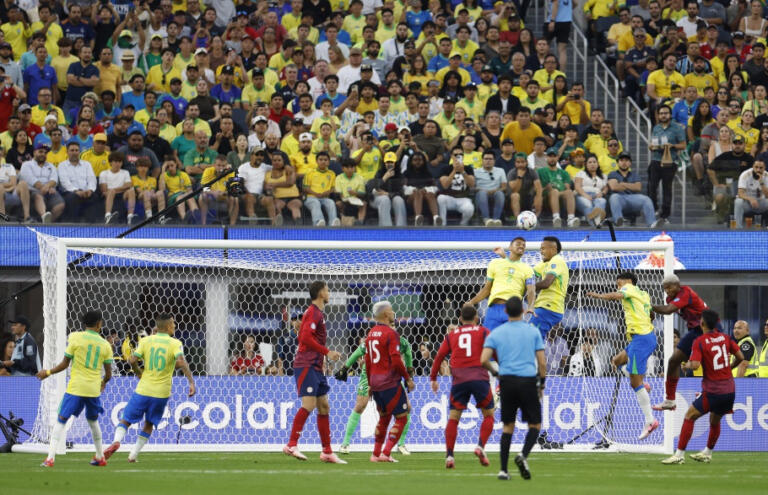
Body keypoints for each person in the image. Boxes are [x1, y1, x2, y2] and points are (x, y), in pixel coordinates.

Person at [103, 313, 196, 463]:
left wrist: (139, 373)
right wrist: (191, 382)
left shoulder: (146, 341)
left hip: (143, 389)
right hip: (161, 393)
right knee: (149, 423)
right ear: (166, 326)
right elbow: (180, 361)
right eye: (172, 323)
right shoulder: (175, 343)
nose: (175, 326)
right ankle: (133, 455)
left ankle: (116, 441)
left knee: (126, 419)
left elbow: (132, 360)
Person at [661, 309, 745, 465]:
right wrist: (729, 367)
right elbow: (741, 357)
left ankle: (679, 455)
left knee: (689, 416)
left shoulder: (700, 341)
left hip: (714, 389)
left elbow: (696, 364)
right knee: (715, 420)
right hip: (730, 389)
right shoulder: (726, 338)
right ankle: (708, 452)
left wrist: (686, 366)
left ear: (702, 323)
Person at [587, 271, 659, 440]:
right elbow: (651, 315)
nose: (617, 284)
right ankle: (642, 383)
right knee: (616, 361)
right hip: (641, 338)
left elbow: (615, 296)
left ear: (626, 280)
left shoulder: (629, 288)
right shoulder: (644, 294)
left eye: (618, 281)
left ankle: (650, 421)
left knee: (635, 384)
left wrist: (598, 295)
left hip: (641, 339)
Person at [481, 296, 546, 481]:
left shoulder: (497, 332)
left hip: (507, 381)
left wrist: (496, 374)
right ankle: (523, 455)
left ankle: (503, 470)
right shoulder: (532, 331)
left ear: (506, 312)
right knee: (535, 424)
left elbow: (483, 359)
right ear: (523, 310)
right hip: (527, 381)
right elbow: (542, 361)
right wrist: (542, 383)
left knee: (508, 427)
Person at [36, 310, 113, 467]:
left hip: (76, 387)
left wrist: (48, 372)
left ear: (84, 324)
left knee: (61, 420)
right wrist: (103, 381)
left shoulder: (74, 337)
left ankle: (50, 458)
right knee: (93, 422)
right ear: (99, 324)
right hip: (93, 389)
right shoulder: (105, 345)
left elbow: (65, 364)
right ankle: (100, 456)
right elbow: (109, 373)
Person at [282, 281, 346, 464]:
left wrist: (323, 358)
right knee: (309, 404)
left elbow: (306, 336)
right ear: (320, 294)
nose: (329, 292)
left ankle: (327, 452)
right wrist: (327, 352)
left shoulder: (317, 314)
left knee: (324, 406)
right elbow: (305, 338)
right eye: (327, 289)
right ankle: (291, 444)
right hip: (306, 365)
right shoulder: (312, 312)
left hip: (316, 366)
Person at [430, 305, 495, 469]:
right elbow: (495, 353)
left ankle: (450, 456)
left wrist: (433, 378)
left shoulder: (452, 335)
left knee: (453, 418)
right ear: (476, 318)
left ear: (459, 319)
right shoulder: (483, 332)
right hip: (479, 378)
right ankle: (480, 446)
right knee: (489, 415)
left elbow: (439, 356)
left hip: (459, 380)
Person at [335, 327, 415, 456]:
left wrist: (409, 376)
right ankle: (345, 444)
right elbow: (357, 353)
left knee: (407, 408)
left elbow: (408, 356)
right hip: (370, 375)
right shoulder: (373, 340)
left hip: (392, 376)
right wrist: (345, 368)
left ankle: (401, 444)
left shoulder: (403, 342)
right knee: (361, 405)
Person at [364, 300, 415, 463]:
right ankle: (386, 453)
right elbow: (396, 360)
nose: (394, 313)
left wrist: (370, 384)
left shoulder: (371, 334)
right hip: (390, 383)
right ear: (386, 314)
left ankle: (376, 454)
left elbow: (368, 360)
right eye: (392, 311)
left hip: (376, 384)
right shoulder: (391, 334)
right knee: (401, 417)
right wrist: (407, 378)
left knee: (384, 418)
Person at [651, 274, 709, 411]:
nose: (667, 291)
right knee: (673, 361)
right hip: (695, 330)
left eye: (669, 288)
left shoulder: (686, 292)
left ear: (677, 285)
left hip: (708, 328)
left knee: (705, 362)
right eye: (665, 288)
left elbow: (668, 310)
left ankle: (708, 392)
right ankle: (670, 400)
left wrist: (649, 306)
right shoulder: (671, 298)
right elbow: (669, 309)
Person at [465, 237, 535, 331]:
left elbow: (531, 290)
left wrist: (530, 306)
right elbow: (487, 289)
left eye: (524, 245)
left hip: (513, 310)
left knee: (510, 342)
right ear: (510, 247)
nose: (521, 246)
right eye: (518, 244)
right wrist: (471, 302)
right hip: (493, 309)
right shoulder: (495, 263)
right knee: (488, 341)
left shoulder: (528, 269)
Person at [607, 152, 657, 227]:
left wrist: (622, 184)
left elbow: (638, 187)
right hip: (619, 199)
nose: (624, 163)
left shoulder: (634, 175)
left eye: (626, 160)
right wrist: (631, 186)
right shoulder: (613, 174)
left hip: (632, 199)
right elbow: (614, 187)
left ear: (630, 163)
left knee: (646, 199)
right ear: (618, 162)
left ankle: (652, 223)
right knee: (614, 197)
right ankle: (619, 223)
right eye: (621, 160)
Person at [100, 151, 136, 224]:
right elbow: (104, 189)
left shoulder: (125, 172)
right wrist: (118, 189)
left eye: (120, 162)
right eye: (115, 161)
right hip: (109, 195)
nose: (118, 164)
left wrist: (114, 189)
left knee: (131, 191)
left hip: (122, 194)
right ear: (110, 163)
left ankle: (130, 216)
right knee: (111, 192)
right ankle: (108, 216)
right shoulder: (104, 173)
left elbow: (128, 185)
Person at [734, 159, 768, 228]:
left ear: (764, 168)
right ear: (753, 167)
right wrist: (750, 199)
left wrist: (761, 182)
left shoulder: (767, 176)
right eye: (756, 167)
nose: (758, 170)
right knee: (738, 201)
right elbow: (740, 193)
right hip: (748, 204)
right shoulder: (745, 175)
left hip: (761, 203)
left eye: (761, 168)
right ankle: (738, 228)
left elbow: (767, 195)